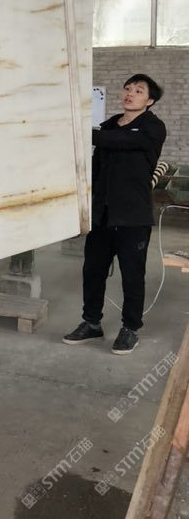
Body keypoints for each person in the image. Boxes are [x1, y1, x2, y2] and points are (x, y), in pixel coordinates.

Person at [63, 74, 166, 355]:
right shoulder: (109, 125)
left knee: (132, 275)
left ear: (150, 100)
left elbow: (121, 141)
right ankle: (91, 323)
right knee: (93, 270)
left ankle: (130, 328)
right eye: (128, 88)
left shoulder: (153, 128)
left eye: (139, 91)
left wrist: (80, 132)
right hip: (103, 214)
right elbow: (96, 166)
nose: (130, 94)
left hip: (133, 216)